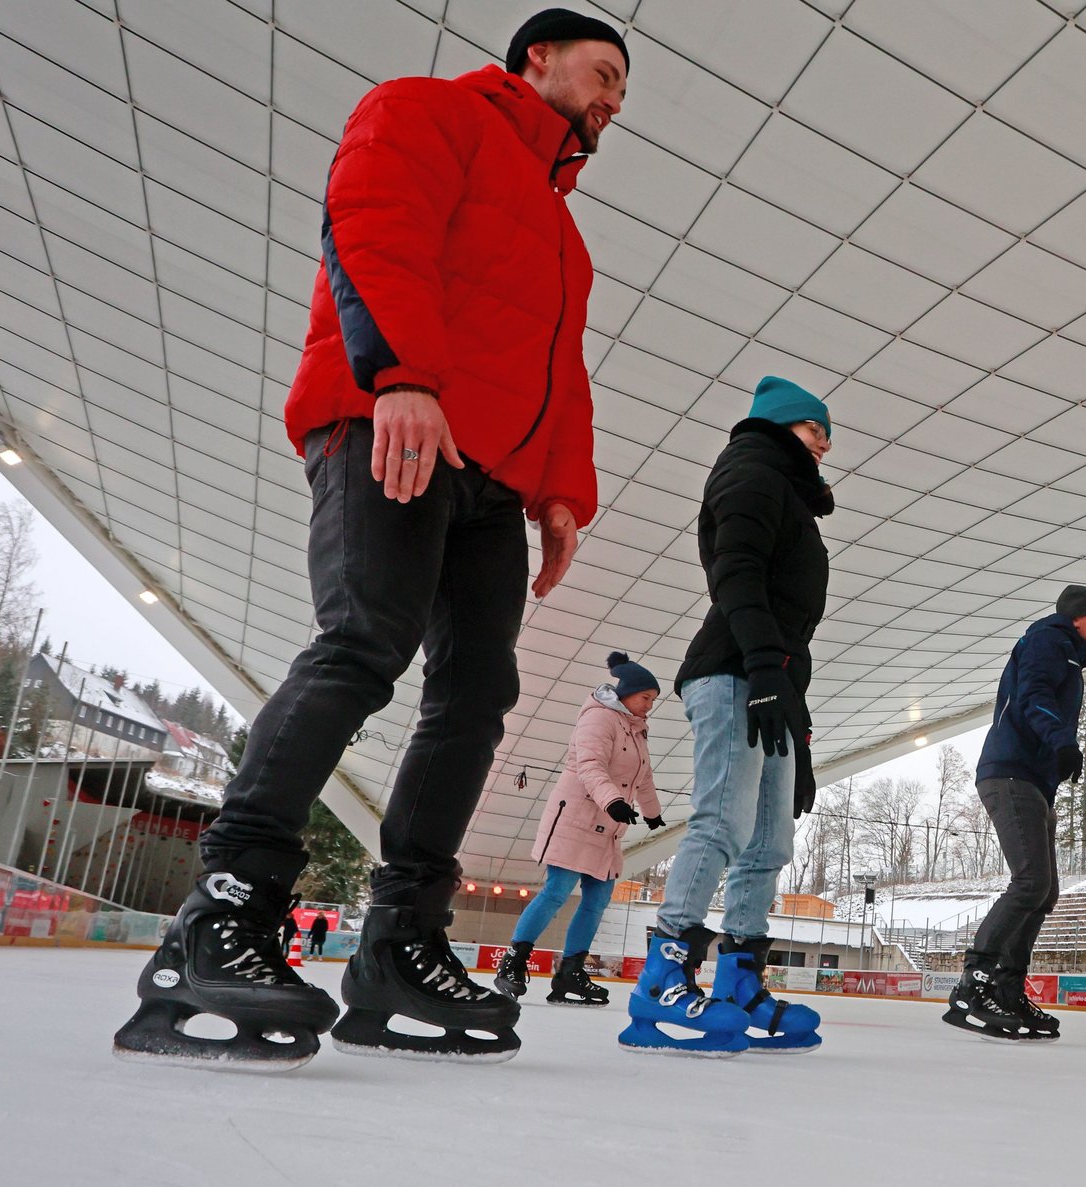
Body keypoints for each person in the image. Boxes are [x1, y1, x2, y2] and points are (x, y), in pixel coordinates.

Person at [113, 9, 625, 1071]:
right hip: (393, 423)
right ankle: (226, 909)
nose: (612, 99)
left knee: (477, 692)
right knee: (362, 645)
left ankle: (401, 942)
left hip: (493, 479)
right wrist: (400, 375)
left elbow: (560, 374)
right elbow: (371, 225)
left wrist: (560, 495)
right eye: (603, 72)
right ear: (537, 56)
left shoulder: (563, 234)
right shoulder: (427, 110)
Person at [619, 379, 835, 1057]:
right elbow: (735, 572)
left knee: (771, 841)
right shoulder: (750, 473)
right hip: (731, 670)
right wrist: (764, 666)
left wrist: (798, 731)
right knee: (722, 822)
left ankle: (740, 979)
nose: (825, 445)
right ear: (778, 425)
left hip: (772, 679)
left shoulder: (789, 493)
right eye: (815, 429)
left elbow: (791, 626)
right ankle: (662, 977)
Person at [942, 586, 1086, 1043]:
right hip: (1011, 774)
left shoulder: (1065, 651)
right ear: (1078, 618)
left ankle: (1007, 989)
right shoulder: (1048, 640)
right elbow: (1034, 693)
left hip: (1033, 780)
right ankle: (974, 982)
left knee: (1045, 891)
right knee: (1031, 881)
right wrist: (1062, 742)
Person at [495, 652, 665, 1006]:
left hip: (609, 825)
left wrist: (652, 813)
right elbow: (590, 765)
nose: (650, 705)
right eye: (646, 697)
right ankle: (513, 962)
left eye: (652, 700)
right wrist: (613, 801)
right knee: (557, 891)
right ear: (627, 693)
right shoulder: (599, 718)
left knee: (597, 900)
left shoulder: (637, 729)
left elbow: (643, 775)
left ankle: (570, 973)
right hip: (576, 817)